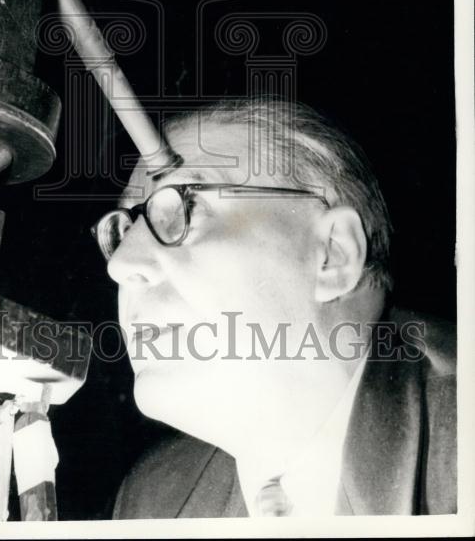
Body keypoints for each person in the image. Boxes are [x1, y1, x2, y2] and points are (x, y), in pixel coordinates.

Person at [94, 97, 456, 518]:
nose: (121, 265)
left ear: (332, 254)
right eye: (124, 230)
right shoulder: (152, 501)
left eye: (183, 209)